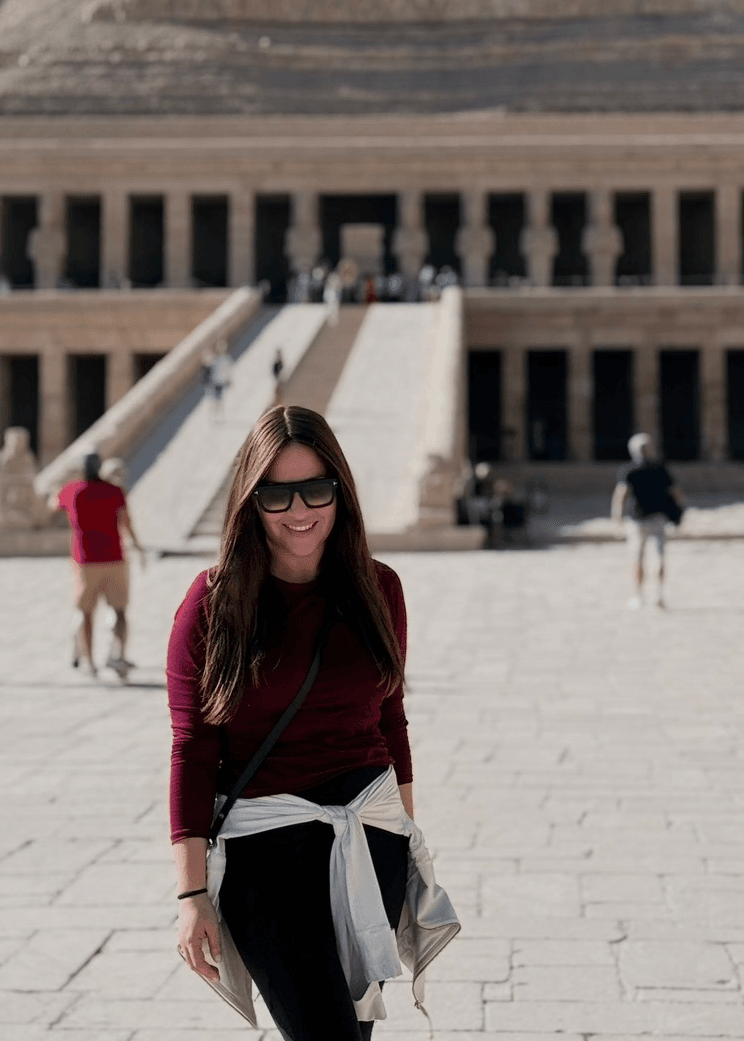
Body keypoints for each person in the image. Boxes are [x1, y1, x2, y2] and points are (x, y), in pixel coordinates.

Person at [167, 406, 459, 1039]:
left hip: (370, 841)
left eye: (316, 489)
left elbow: (391, 721)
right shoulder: (213, 603)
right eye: (276, 493)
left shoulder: (379, 588)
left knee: (353, 1033)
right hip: (266, 853)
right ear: (250, 500)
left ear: (341, 493)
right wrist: (191, 897)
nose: (299, 510)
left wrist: (409, 842)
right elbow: (192, 750)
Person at [52, 451, 145, 678]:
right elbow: (126, 521)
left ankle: (89, 661)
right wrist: (138, 545)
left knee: (85, 612)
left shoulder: (72, 491)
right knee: (120, 611)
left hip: (86, 561)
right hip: (114, 557)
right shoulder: (114, 491)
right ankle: (118, 654)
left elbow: (53, 504)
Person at [611, 432, 684, 610]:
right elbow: (676, 493)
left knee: (637, 557)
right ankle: (659, 595)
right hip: (658, 517)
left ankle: (638, 595)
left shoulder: (628, 470)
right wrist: (680, 511)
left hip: (636, 519)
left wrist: (617, 517)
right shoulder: (660, 468)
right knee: (659, 556)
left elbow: (621, 495)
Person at [201, 341, 234, 412]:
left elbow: (228, 370)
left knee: (218, 397)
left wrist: (229, 379)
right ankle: (217, 409)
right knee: (216, 397)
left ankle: (218, 409)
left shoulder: (225, 359)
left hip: (220, 381)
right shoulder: (218, 359)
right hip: (216, 381)